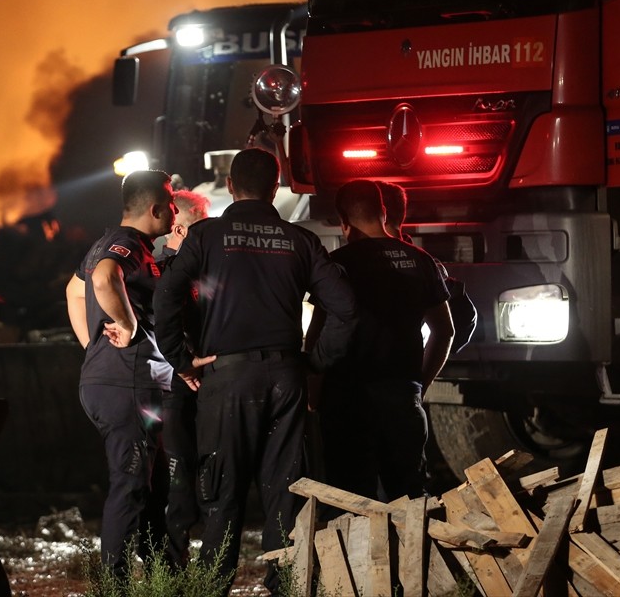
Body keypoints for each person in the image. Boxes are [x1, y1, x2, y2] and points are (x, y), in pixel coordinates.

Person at [153, 148, 357, 596]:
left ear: (230, 185)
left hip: (227, 381)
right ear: (276, 186)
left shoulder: (206, 236)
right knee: (286, 494)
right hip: (286, 379)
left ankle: (212, 589)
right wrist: (314, 361)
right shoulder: (300, 240)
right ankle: (285, 587)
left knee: (222, 494)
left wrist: (179, 358)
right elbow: (345, 306)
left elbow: (166, 294)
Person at [306, 179, 455, 503]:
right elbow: (445, 331)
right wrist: (419, 386)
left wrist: (313, 395)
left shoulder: (337, 265)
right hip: (402, 397)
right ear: (384, 212)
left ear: (343, 221)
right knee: (409, 500)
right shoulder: (420, 260)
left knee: (350, 502)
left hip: (346, 402)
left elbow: (316, 335)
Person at [64, 169, 179, 581]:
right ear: (155, 208)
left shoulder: (108, 241)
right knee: (130, 485)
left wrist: (90, 345)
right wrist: (126, 326)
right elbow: (101, 278)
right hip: (126, 382)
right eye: (171, 203)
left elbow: (72, 291)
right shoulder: (128, 244)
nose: (176, 210)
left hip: (115, 380)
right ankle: (114, 586)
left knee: (149, 487)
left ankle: (164, 576)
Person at [155, 189, 212, 569]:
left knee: (208, 474)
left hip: (206, 388)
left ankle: (205, 566)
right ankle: (173, 568)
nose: (208, 236)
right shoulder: (159, 269)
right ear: (179, 225)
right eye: (201, 227)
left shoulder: (206, 271)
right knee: (176, 481)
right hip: (172, 390)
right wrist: (182, 364)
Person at [377, 180, 478, 353]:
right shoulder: (425, 263)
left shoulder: (422, 264)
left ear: (380, 214)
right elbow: (462, 324)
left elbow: (455, 326)